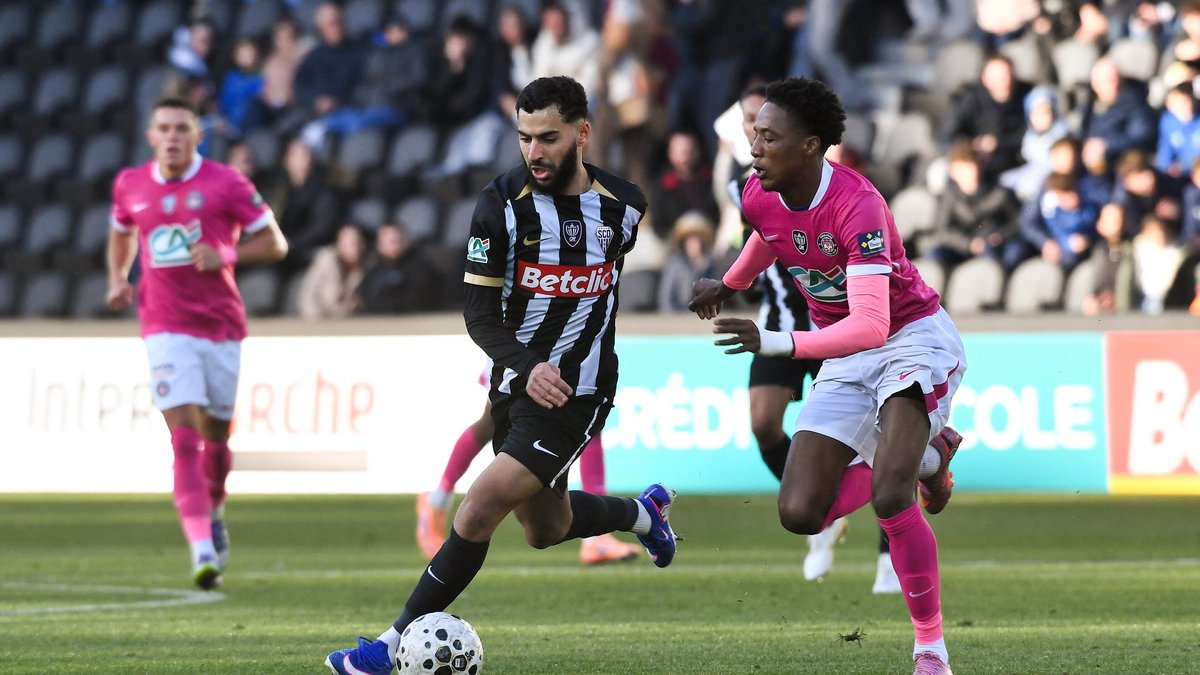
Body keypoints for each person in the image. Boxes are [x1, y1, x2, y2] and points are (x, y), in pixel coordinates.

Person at [325, 76, 677, 675]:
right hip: (515, 385)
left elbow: (603, 297)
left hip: (579, 391)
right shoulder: (500, 207)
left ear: (582, 133)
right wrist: (526, 365)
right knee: (548, 528)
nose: (534, 152)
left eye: (548, 137)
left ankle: (385, 647)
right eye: (523, 138)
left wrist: (560, 363)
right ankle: (643, 514)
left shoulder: (625, 206)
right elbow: (479, 315)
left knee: (478, 508)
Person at [689, 77, 966, 675]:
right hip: (845, 354)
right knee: (800, 512)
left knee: (891, 495)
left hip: (907, 338)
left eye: (768, 136)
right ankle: (930, 457)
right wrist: (731, 283)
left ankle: (930, 649)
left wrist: (773, 340)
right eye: (753, 135)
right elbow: (770, 235)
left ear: (811, 146)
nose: (755, 147)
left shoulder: (858, 204)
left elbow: (870, 324)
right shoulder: (755, 190)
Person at [106, 97, 289, 590]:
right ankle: (202, 551)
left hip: (221, 327)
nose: (171, 136)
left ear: (197, 136)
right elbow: (121, 232)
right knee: (183, 438)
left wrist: (226, 252)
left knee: (217, 439)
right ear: (150, 136)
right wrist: (118, 276)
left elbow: (275, 242)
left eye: (181, 128)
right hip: (164, 327)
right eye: (163, 127)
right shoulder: (130, 184)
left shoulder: (226, 183)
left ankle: (215, 511)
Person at [415, 362, 642, 566]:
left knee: (589, 421)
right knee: (492, 421)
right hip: (524, 347)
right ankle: (436, 500)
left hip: (569, 344)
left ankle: (597, 538)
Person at [297, 223, 367, 320]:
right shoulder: (325, 261)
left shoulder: (365, 268)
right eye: (350, 243)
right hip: (319, 322)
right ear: (339, 244)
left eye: (357, 243)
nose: (355, 247)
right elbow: (307, 298)